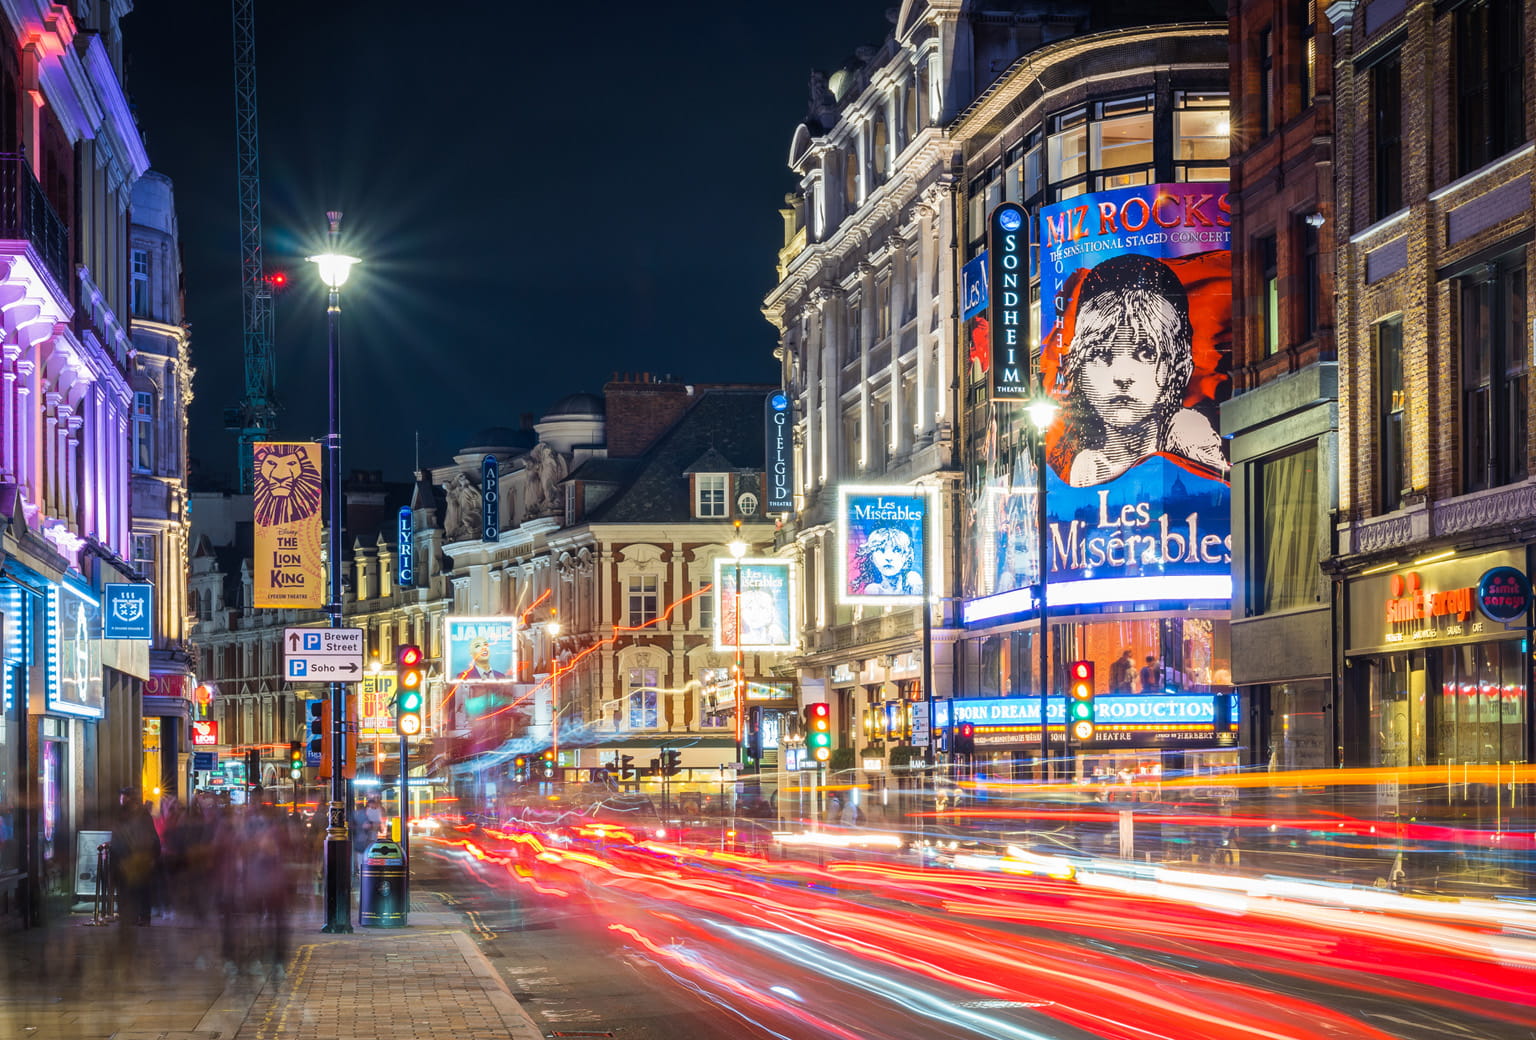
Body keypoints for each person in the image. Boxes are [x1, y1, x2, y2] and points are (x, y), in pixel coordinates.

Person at [1047, 253, 1226, 487]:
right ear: (1078, 368)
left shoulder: (1202, 455)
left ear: (1179, 369)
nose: (1122, 377)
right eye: (1102, 354)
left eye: (1145, 353)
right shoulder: (1069, 467)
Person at [852, 525, 924, 596]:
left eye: (897, 550)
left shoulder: (913, 582)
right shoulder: (873, 590)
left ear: (907, 556)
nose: (888, 557)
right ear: (871, 556)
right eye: (880, 549)